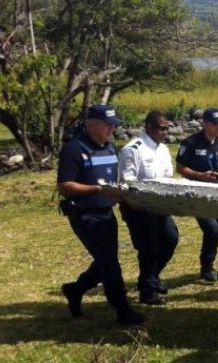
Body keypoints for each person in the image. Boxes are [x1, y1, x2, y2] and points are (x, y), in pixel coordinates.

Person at [57, 104, 144, 325]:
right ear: (92, 124)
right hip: (85, 215)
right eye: (108, 125)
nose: (112, 130)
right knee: (110, 263)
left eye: (114, 126)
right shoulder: (74, 150)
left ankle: (75, 289)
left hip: (106, 213)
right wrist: (96, 190)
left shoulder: (111, 149)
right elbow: (65, 186)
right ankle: (122, 309)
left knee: (105, 261)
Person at [118, 110, 179, 305]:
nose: (165, 132)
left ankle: (151, 277)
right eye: (162, 128)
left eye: (167, 128)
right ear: (149, 127)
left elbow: (167, 176)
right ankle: (147, 291)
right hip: (139, 207)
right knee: (149, 248)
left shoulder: (163, 149)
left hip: (160, 206)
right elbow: (128, 182)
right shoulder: (133, 149)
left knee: (170, 239)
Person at [176, 107, 218, 282]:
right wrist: (199, 175)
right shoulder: (190, 143)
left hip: (216, 194)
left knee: (217, 230)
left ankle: (208, 267)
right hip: (196, 195)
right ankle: (206, 268)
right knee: (211, 229)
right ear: (205, 124)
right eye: (215, 124)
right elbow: (180, 168)